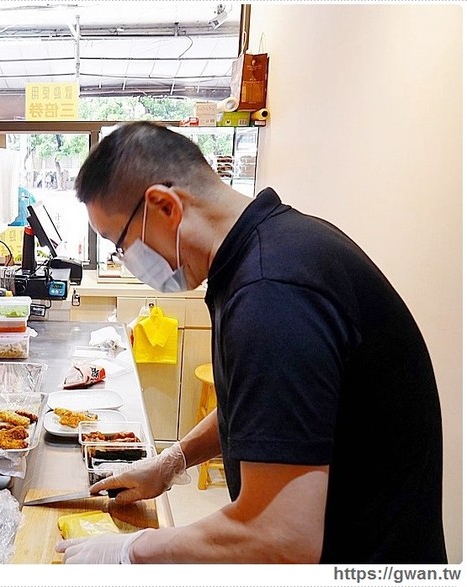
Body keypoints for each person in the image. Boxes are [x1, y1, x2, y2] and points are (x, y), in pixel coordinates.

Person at [56, 121, 445, 564]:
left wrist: (130, 551)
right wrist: (172, 461)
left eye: (121, 244)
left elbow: (279, 537)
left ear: (165, 206)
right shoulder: (269, 250)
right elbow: (268, 411)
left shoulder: (272, 293)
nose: (126, 261)